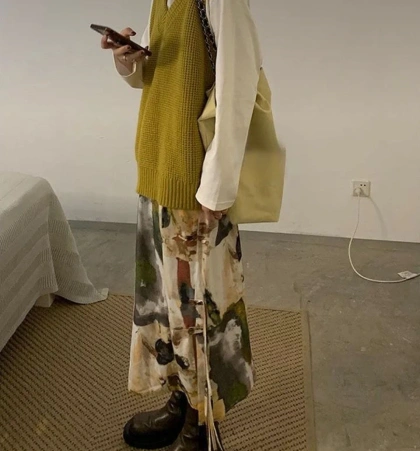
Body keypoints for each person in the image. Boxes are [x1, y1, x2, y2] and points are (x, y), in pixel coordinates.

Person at [100, 0, 262, 449]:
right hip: (158, 170)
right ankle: (181, 399)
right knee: (167, 308)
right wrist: (128, 61)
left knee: (201, 314)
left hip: (196, 185)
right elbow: (158, 75)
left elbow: (238, 85)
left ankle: (203, 420)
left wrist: (218, 186)